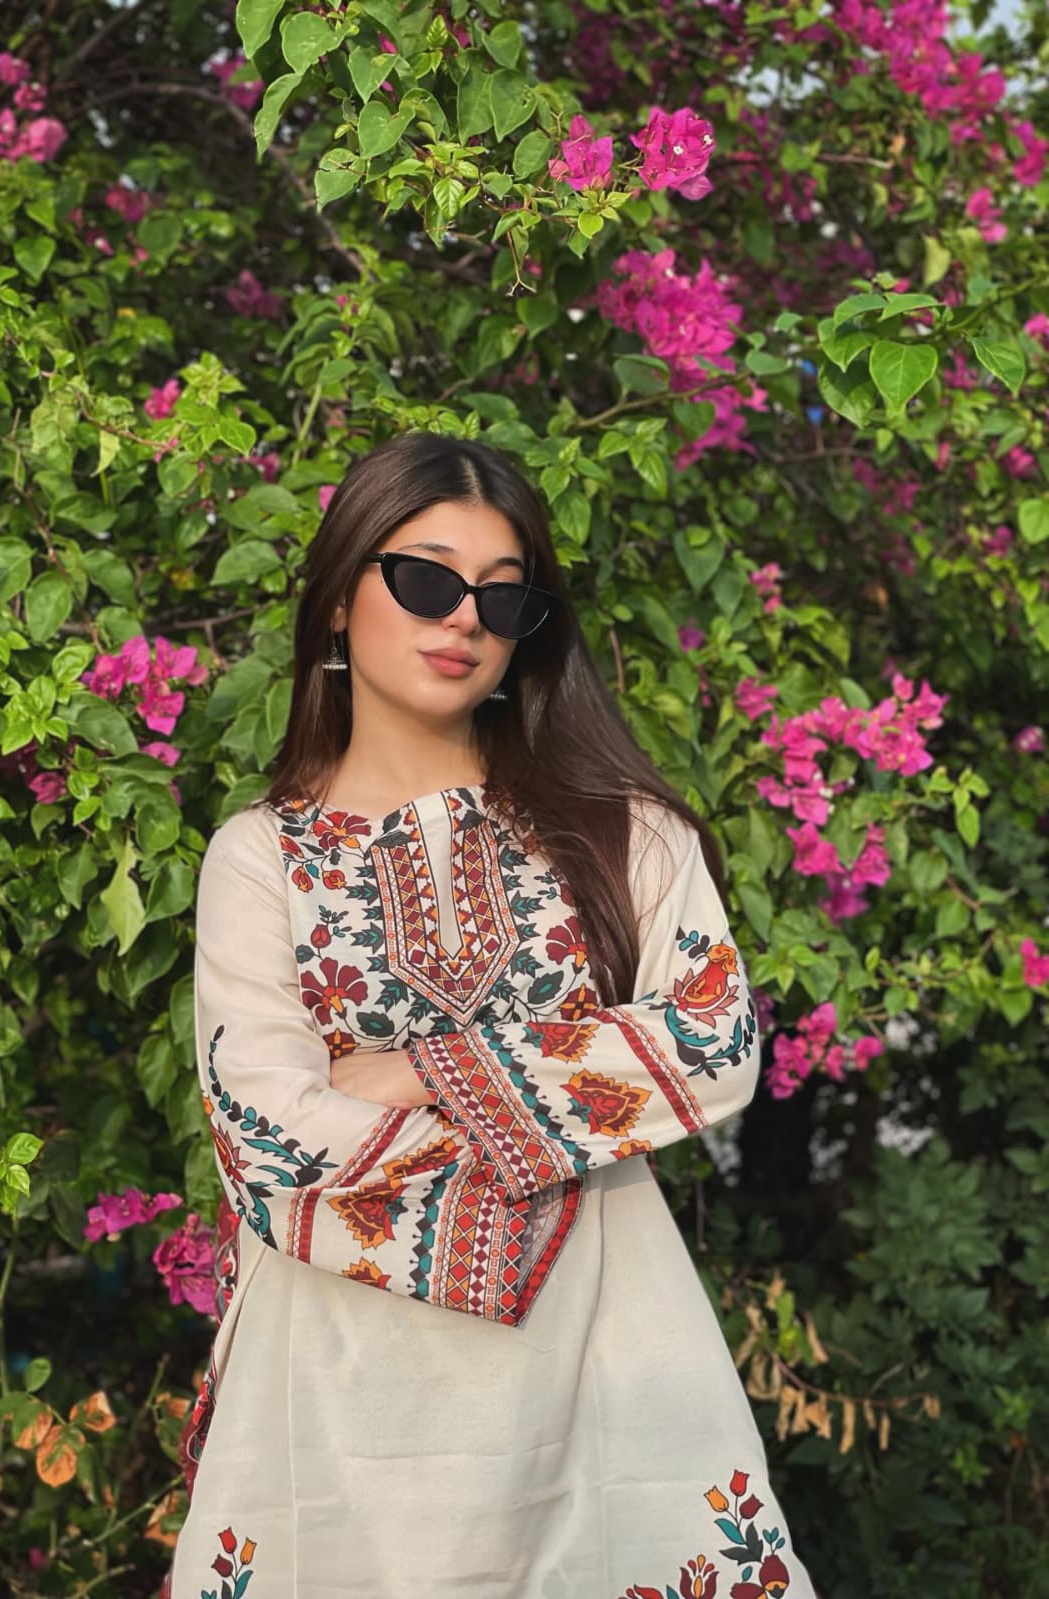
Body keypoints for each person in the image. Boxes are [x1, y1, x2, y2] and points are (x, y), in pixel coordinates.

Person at [166, 432, 815, 1598]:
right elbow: (265, 1138)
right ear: (338, 601)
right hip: (338, 1395)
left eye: (501, 594)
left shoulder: (625, 834)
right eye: (424, 578)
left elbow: (714, 1043)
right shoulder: (259, 858)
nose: (461, 616)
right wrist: (569, 1119)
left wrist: (426, 1069)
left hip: (603, 1376)